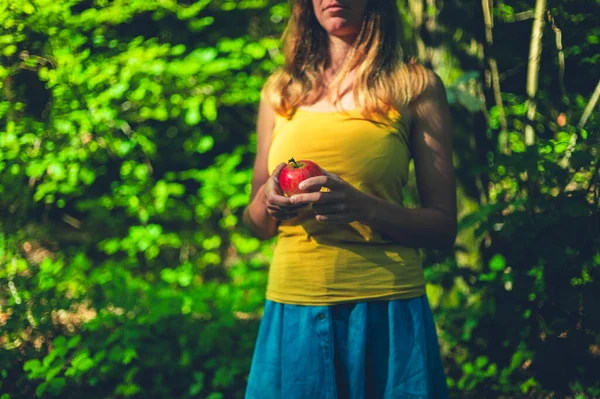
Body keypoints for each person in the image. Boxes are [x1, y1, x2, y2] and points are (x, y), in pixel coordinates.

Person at [242, 0, 456, 397]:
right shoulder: (280, 92)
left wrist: (365, 208)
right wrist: (266, 203)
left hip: (387, 310)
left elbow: (444, 227)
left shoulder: (415, 86)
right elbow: (255, 226)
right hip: (295, 306)